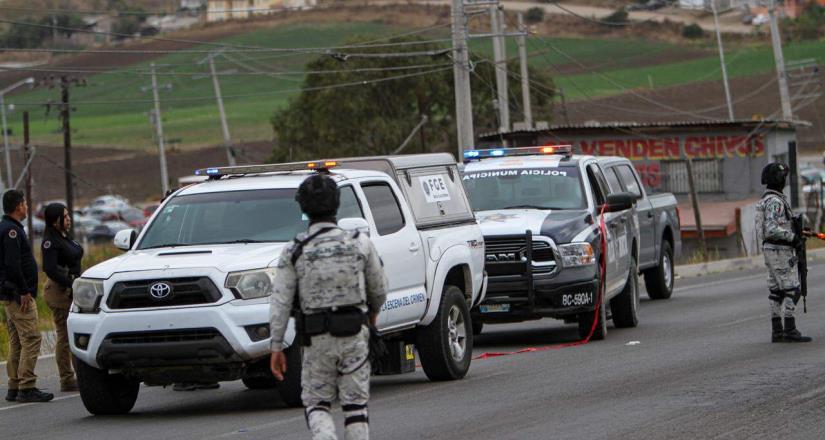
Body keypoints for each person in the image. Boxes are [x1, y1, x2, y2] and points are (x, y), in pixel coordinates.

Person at [269, 173, 387, 440]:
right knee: (356, 407)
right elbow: (378, 289)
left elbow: (280, 301)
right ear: (337, 204)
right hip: (355, 334)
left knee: (317, 403)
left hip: (316, 339)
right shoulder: (359, 242)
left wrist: (276, 345)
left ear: (303, 207)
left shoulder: (295, 250)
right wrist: (373, 315)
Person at [0, 190, 53, 403]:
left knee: (17, 341)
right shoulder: (11, 231)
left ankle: (14, 385)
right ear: (17, 206)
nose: (27, 207)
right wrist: (23, 291)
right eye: (24, 203)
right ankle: (27, 386)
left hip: (9, 293)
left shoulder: (7, 228)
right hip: (17, 295)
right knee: (31, 338)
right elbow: (13, 264)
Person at [756, 162, 811, 343]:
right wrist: (793, 238)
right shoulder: (775, 202)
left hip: (770, 249)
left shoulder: (765, 200)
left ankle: (777, 330)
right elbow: (772, 228)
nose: (785, 180)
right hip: (780, 250)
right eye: (783, 177)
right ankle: (789, 328)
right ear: (778, 179)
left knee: (775, 290)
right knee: (792, 289)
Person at [41, 203, 83, 392]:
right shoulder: (50, 241)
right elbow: (49, 269)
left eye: (68, 215)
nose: (68, 219)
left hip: (72, 290)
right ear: (55, 220)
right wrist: (69, 282)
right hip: (59, 292)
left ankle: (80, 374)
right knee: (65, 336)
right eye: (64, 217)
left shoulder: (64, 237)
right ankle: (66, 378)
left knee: (75, 333)